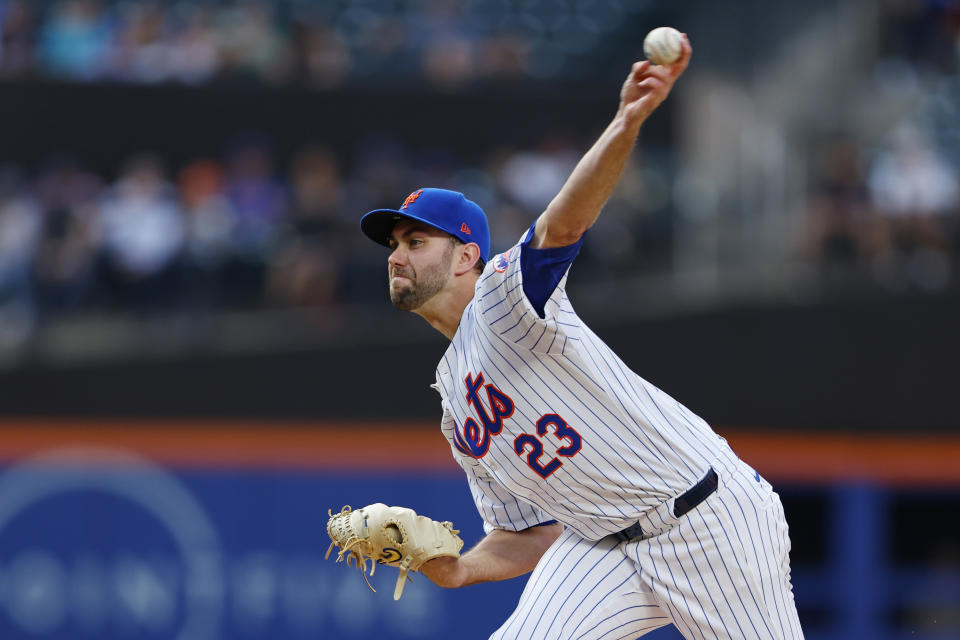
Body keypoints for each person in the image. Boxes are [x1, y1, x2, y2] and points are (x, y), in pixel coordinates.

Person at [360, 35, 803, 640]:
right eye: (394, 246)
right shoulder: (455, 406)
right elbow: (530, 533)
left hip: (707, 521)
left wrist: (626, 121)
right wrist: (460, 569)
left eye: (415, 243)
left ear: (466, 255)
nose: (397, 257)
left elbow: (568, 219)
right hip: (600, 546)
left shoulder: (503, 299)